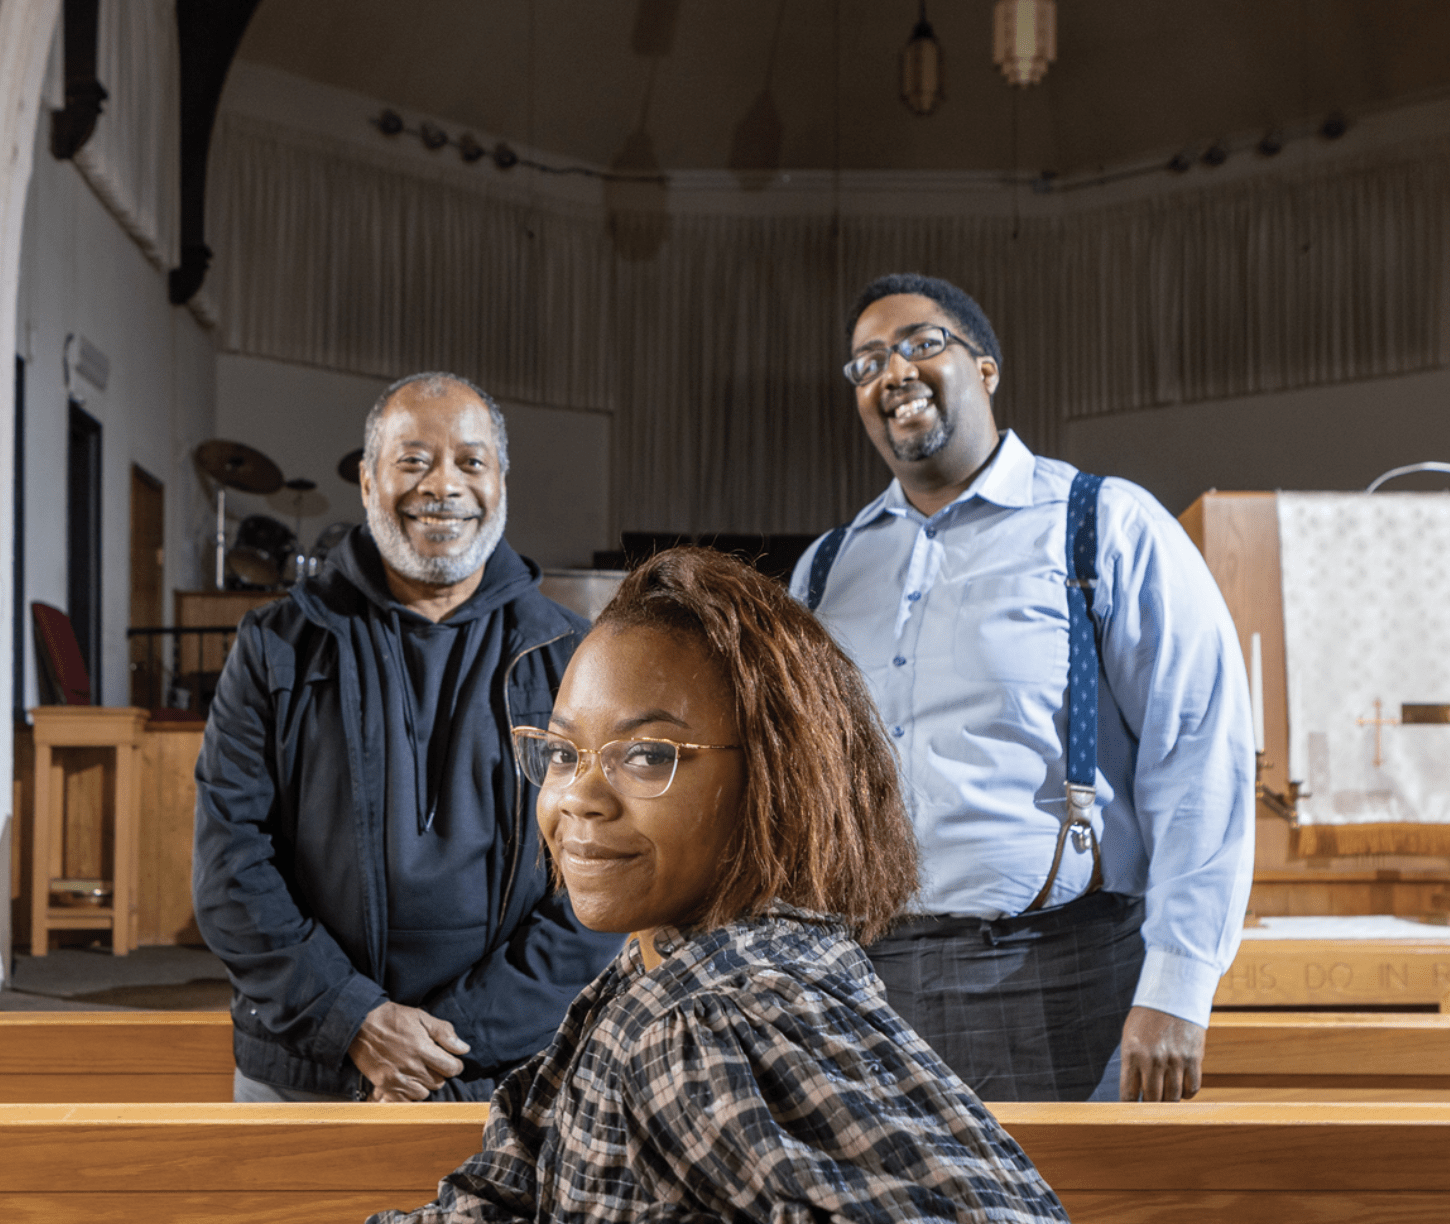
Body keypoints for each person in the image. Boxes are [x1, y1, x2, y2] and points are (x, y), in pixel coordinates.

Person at [369, 547, 1069, 1224]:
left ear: (774, 778)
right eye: (562, 752)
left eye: (645, 755)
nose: (578, 797)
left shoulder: (708, 1025)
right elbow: (515, 1187)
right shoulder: (654, 966)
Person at [790, 273, 1255, 1103]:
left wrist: (1178, 987)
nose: (891, 371)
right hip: (858, 982)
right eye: (865, 363)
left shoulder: (1100, 523)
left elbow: (1201, 754)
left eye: (921, 344)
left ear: (987, 367)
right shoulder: (827, 569)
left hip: (1061, 971)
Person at [192, 371, 620, 1103]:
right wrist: (353, 1019)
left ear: (501, 481)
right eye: (414, 459)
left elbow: (600, 883)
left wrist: (444, 1044)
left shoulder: (574, 660)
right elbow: (230, 866)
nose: (443, 485)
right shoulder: (277, 646)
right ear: (367, 481)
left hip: (511, 1075)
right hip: (307, 1065)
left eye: (471, 461)